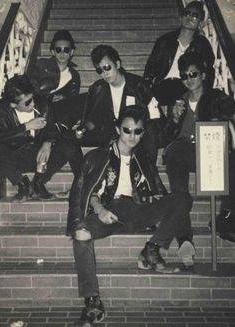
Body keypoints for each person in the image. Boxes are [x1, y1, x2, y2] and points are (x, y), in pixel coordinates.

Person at [67, 105, 192, 326]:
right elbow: (87, 192)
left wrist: (153, 204)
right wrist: (100, 210)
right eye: (127, 130)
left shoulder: (142, 158)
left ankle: (150, 251)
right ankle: (92, 300)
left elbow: (157, 191)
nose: (132, 136)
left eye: (138, 131)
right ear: (118, 129)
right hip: (109, 210)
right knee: (81, 234)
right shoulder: (98, 157)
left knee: (182, 199)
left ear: (143, 133)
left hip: (137, 210)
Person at [162, 52, 235, 244]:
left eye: (193, 74)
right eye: (184, 76)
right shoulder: (180, 102)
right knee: (174, 157)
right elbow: (167, 137)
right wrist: (175, 119)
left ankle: (226, 218)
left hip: (211, 147)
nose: (188, 79)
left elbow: (230, 110)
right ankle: (184, 234)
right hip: (184, 149)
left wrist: (220, 117)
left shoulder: (216, 97)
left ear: (203, 75)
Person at [80, 44, 165, 165]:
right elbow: (93, 119)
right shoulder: (98, 88)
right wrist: (84, 128)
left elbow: (155, 116)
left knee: (150, 129)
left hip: (136, 132)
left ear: (118, 64)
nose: (104, 73)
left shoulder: (138, 85)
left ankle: (149, 172)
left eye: (107, 67)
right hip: (111, 133)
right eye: (100, 70)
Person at [0, 75, 79, 202]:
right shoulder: (2, 110)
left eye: (32, 98)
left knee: (68, 146)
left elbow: (53, 130)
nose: (33, 103)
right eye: (27, 102)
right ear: (13, 105)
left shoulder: (44, 105)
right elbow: (2, 137)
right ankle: (23, 185)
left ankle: (38, 182)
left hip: (40, 158)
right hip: (15, 158)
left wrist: (47, 143)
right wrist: (25, 127)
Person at [28, 29, 84, 186]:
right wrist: (50, 98)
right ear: (52, 51)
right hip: (39, 114)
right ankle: (84, 186)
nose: (62, 53)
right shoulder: (40, 66)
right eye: (58, 49)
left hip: (60, 116)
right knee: (70, 140)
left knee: (86, 99)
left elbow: (72, 105)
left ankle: (82, 186)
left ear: (72, 52)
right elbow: (29, 93)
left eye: (66, 50)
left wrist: (65, 100)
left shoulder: (74, 76)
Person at [143, 1, 215, 105]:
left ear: (201, 23)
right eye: (186, 13)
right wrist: (147, 88)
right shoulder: (165, 40)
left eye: (195, 16)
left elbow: (208, 72)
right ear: (180, 18)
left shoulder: (202, 45)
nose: (189, 17)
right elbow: (151, 67)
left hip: (187, 87)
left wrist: (204, 95)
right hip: (163, 87)